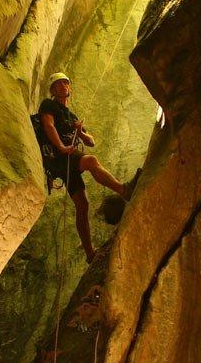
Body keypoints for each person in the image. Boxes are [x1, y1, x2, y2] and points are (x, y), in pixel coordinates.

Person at [39, 72, 139, 263]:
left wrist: (81, 133)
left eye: (65, 83)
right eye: (58, 84)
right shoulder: (49, 105)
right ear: (52, 90)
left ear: (69, 88)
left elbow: (91, 141)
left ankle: (89, 254)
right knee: (91, 162)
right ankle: (124, 190)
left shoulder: (72, 116)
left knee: (82, 205)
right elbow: (48, 126)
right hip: (58, 156)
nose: (62, 86)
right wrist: (61, 146)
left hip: (67, 161)